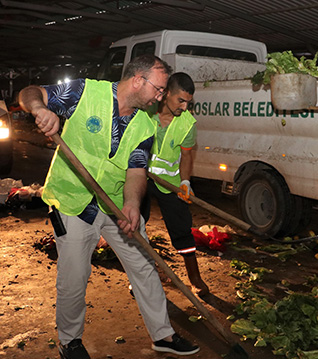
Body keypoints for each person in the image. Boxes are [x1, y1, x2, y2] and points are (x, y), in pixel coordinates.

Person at [19, 55, 200, 359]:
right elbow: (29, 92)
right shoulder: (85, 92)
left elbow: (137, 169)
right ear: (138, 80)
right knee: (74, 275)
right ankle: (70, 342)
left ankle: (163, 335)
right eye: (158, 89)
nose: (161, 96)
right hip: (74, 202)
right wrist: (40, 109)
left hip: (116, 204)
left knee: (144, 266)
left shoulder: (145, 125)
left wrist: (131, 204)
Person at [141, 72, 209, 296]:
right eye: (181, 100)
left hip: (169, 182)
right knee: (136, 224)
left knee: (181, 228)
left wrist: (185, 182)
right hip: (140, 176)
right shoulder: (146, 111)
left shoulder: (188, 123)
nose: (185, 106)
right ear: (166, 93)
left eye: (189, 102)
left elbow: (187, 156)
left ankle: (195, 277)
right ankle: (140, 275)